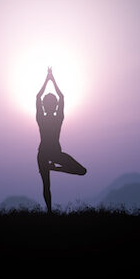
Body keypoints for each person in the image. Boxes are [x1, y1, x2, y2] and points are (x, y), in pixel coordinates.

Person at [36, 67, 86, 213]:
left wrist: (48, 80)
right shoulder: (54, 119)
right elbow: (58, 97)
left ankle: (54, 169)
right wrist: (51, 80)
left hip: (48, 154)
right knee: (46, 185)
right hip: (49, 154)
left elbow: (39, 97)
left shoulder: (45, 119)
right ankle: (50, 213)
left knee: (47, 185)